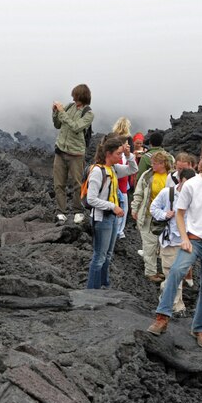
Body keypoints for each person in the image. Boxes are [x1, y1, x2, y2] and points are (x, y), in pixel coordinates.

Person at [146, 140, 202, 349]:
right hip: (194, 240)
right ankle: (162, 317)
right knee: (176, 272)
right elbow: (179, 213)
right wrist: (185, 239)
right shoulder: (191, 185)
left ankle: (199, 328)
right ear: (200, 160)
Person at [85, 134, 137, 289]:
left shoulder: (113, 168)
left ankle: (103, 285)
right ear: (108, 154)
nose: (120, 157)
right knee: (99, 256)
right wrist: (112, 206)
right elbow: (91, 199)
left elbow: (132, 169)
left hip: (112, 219)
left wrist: (129, 155)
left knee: (107, 255)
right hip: (102, 219)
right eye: (118, 154)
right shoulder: (97, 171)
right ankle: (92, 290)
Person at [151, 167, 196, 315]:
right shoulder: (167, 193)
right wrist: (164, 214)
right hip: (169, 240)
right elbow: (153, 208)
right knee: (172, 273)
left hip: (185, 241)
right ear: (180, 180)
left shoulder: (194, 196)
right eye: (186, 184)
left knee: (178, 274)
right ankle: (176, 305)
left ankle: (169, 299)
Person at [52, 84, 94, 224]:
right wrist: (55, 113)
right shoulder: (69, 107)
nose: (73, 98)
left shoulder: (88, 113)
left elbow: (76, 127)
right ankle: (61, 212)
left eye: (75, 95)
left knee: (77, 184)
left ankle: (78, 211)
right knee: (59, 184)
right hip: (60, 151)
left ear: (80, 96)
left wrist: (62, 112)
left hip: (76, 153)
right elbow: (58, 125)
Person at [132, 150, 173, 281]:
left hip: (167, 217)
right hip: (148, 215)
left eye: (155, 163)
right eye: (152, 163)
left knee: (163, 245)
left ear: (163, 163)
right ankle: (150, 272)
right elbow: (138, 193)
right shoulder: (147, 175)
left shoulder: (172, 177)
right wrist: (134, 209)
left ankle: (161, 271)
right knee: (149, 244)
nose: (152, 166)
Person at [111, 117, 133, 239]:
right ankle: (119, 231)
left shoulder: (111, 139)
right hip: (122, 181)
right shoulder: (127, 141)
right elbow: (131, 164)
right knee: (123, 203)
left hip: (115, 180)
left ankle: (116, 230)